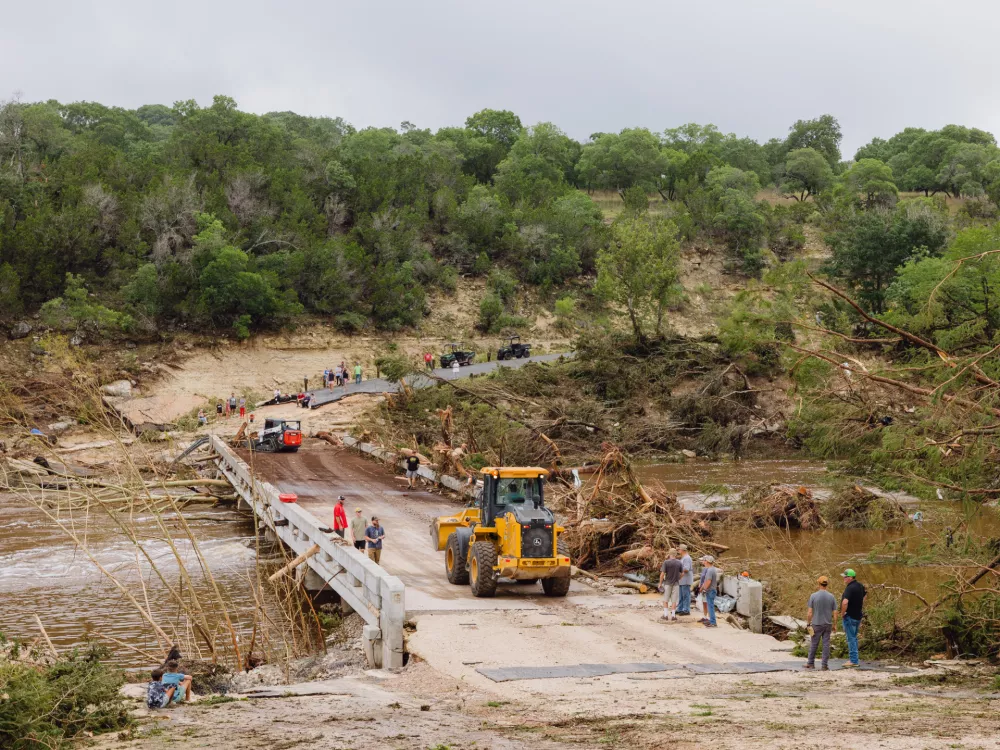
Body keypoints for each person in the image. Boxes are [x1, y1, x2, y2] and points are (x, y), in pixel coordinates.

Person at [805, 575, 837, 670]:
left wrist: (808, 623)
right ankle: (824, 665)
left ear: (818, 583)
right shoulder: (831, 596)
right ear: (827, 584)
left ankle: (810, 663)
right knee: (826, 644)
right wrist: (835, 624)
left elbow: (810, 612)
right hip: (828, 624)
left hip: (817, 624)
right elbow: (835, 612)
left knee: (814, 644)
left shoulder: (813, 596)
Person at [840, 568, 866, 667]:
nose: (844, 579)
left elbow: (845, 602)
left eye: (845, 577)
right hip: (858, 615)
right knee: (854, 638)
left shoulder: (849, 588)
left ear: (850, 578)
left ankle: (853, 661)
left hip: (849, 616)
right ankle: (854, 659)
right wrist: (859, 605)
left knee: (850, 638)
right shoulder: (860, 586)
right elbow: (865, 595)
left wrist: (843, 613)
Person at [659, 548, 683, 621]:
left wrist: (660, 583)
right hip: (676, 584)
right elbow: (682, 573)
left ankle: (665, 615)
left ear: (669, 554)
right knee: (674, 601)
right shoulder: (679, 562)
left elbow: (662, 574)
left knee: (665, 600)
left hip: (667, 583)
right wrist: (679, 578)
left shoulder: (666, 562)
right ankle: (673, 616)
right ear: (675, 554)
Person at [699, 555, 720, 628]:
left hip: (710, 590)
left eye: (704, 560)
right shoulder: (711, 569)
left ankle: (713, 622)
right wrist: (702, 588)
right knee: (710, 606)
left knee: (710, 606)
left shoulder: (710, 570)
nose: (703, 562)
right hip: (711, 590)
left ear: (707, 561)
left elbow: (708, 581)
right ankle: (711, 621)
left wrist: (704, 589)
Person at [677, 544, 693, 616]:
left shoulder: (687, 558)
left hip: (685, 579)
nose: (678, 550)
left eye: (679, 549)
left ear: (682, 550)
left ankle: (686, 610)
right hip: (682, 580)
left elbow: (686, 569)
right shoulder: (683, 558)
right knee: (681, 595)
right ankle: (680, 608)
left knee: (686, 595)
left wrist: (678, 569)